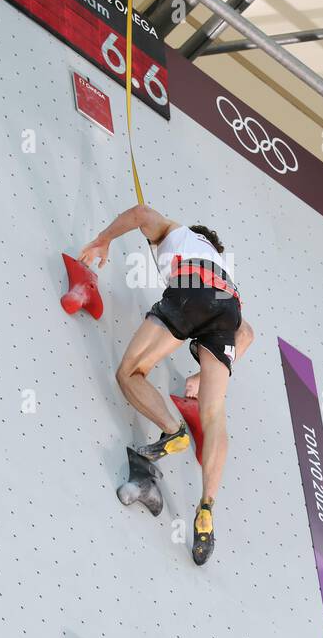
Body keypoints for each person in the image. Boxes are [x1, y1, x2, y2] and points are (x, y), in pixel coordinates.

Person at [79, 205, 255, 565]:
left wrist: (104, 239)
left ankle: (173, 431)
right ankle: (206, 508)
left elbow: (142, 213)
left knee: (129, 372)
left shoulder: (177, 233)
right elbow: (247, 334)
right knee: (214, 413)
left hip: (191, 290)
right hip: (226, 309)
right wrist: (202, 376)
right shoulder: (223, 271)